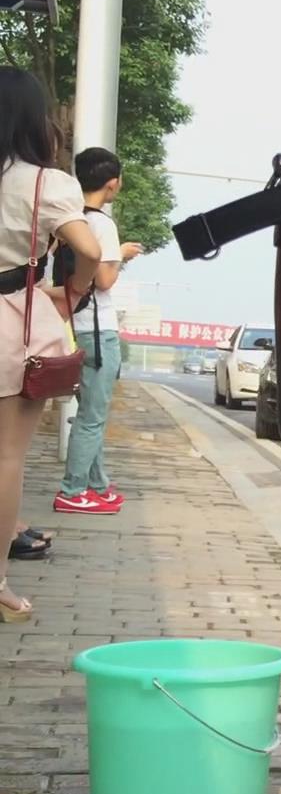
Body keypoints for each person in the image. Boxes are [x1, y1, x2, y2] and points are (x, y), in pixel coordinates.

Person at [0, 68, 102, 624]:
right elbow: (88, 249)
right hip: (11, 318)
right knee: (6, 457)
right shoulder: (44, 183)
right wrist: (76, 290)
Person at [52, 148, 141, 517]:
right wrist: (121, 255)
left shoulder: (68, 219)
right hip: (99, 331)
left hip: (75, 326)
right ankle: (73, 491)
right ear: (113, 183)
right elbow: (103, 280)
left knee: (91, 412)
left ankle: (97, 486)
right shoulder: (102, 225)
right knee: (92, 417)